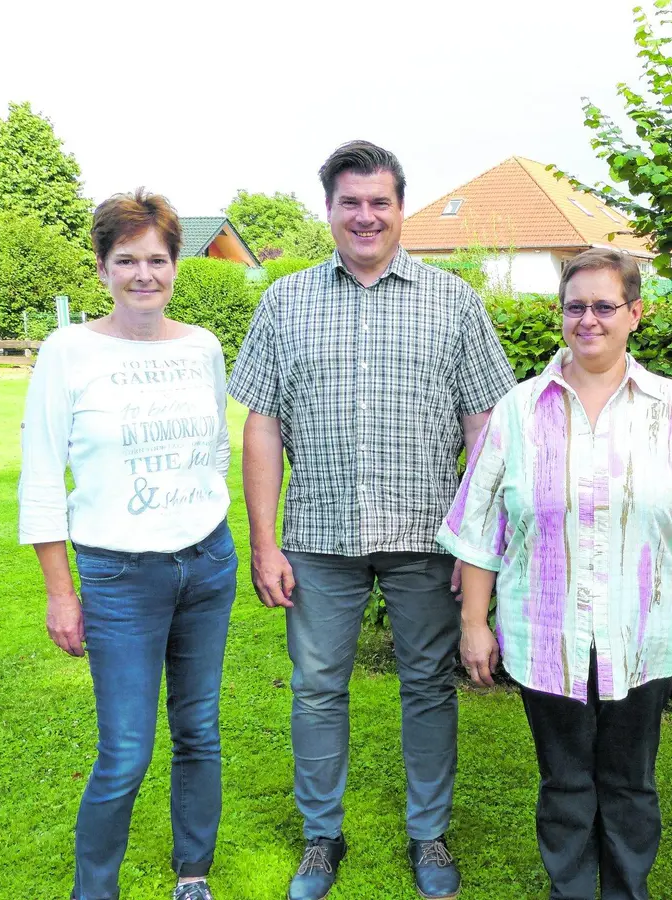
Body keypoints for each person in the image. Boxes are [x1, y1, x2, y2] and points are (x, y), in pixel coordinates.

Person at [228, 140, 516, 900]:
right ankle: (321, 835)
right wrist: (264, 542)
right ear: (328, 209)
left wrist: (477, 542)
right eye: (350, 202)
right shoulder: (284, 302)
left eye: (379, 202)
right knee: (317, 689)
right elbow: (262, 426)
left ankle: (430, 832)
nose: (365, 216)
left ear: (400, 208)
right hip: (318, 539)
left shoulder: (453, 301)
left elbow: (486, 427)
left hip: (428, 538)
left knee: (429, 687)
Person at [438, 248, 672, 900]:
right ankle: (572, 891)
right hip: (544, 636)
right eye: (575, 306)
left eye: (605, 306)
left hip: (644, 638)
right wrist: (474, 624)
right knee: (564, 784)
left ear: (635, 313)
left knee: (631, 783)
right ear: (560, 315)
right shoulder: (518, 412)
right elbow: (479, 529)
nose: (589, 320)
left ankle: (626, 891)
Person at [19, 188, 238, 900]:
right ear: (102, 268)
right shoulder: (68, 352)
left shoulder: (203, 347)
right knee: (124, 752)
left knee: (199, 732)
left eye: (156, 259)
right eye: (126, 260)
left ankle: (193, 876)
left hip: (207, 564)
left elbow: (216, 448)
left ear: (176, 264)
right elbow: (42, 476)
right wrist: (62, 593)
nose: (144, 274)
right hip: (119, 578)